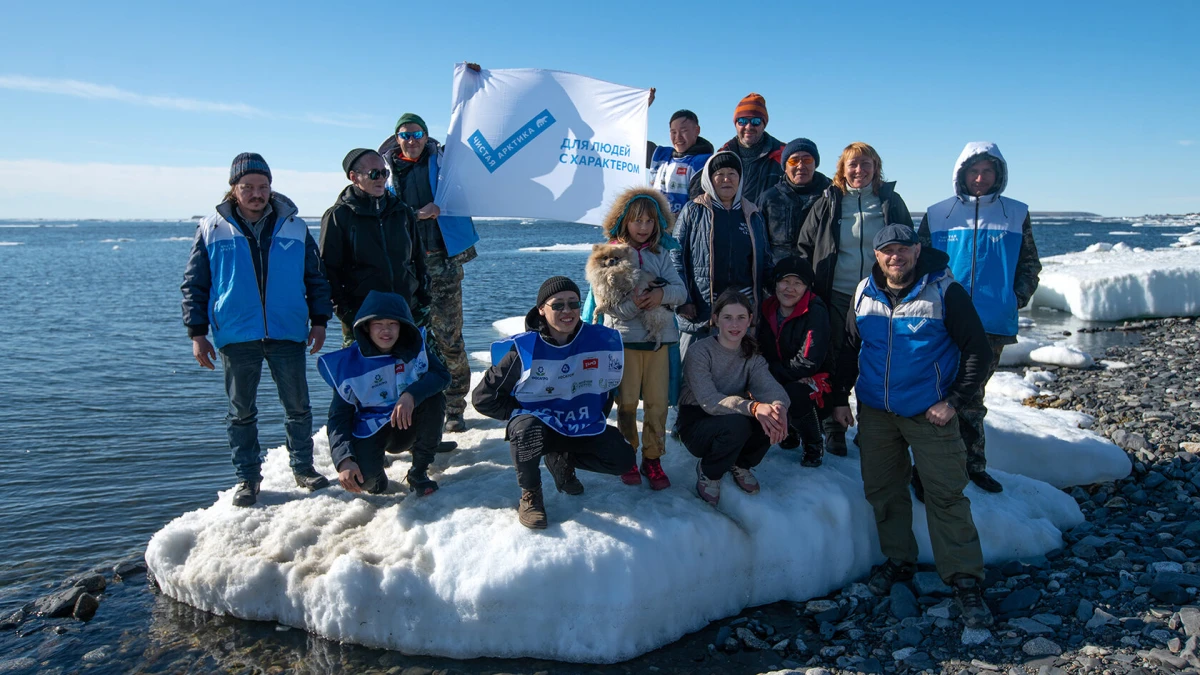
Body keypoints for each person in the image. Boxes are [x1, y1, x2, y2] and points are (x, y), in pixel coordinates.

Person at [830, 224, 994, 629]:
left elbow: (977, 349)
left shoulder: (944, 292)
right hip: (876, 413)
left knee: (945, 494)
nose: (895, 256)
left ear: (917, 251)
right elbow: (849, 348)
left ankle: (964, 579)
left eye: (903, 248)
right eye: (887, 250)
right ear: (877, 254)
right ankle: (899, 560)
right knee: (884, 490)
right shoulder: (864, 292)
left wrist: (954, 401)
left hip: (929, 412)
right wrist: (839, 398)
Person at [182, 153, 333, 507]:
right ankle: (247, 478)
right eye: (247, 187)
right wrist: (197, 333)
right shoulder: (212, 228)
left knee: (298, 407)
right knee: (241, 412)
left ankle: (303, 468)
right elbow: (195, 284)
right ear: (233, 189)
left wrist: (320, 321)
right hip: (236, 334)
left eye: (263, 186)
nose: (256, 194)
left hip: (287, 330)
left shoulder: (294, 226)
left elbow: (316, 278)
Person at [918, 142, 1042, 494]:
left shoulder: (1015, 213)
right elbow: (920, 263)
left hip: (991, 324)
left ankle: (973, 466)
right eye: (973, 171)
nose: (979, 177)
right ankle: (931, 465)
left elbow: (1029, 265)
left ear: (998, 173)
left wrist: (1013, 299)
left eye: (987, 171)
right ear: (961, 173)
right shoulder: (939, 213)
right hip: (943, 321)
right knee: (937, 391)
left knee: (971, 395)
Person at [471, 277, 636, 529]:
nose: (567, 311)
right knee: (526, 429)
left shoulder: (598, 342)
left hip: (579, 426)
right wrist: (520, 414)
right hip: (539, 429)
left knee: (623, 459)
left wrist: (594, 413)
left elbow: (605, 389)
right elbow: (483, 398)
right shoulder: (524, 349)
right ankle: (531, 496)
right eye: (557, 305)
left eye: (573, 304)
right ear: (541, 309)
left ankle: (563, 460)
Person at [798, 142, 913, 456]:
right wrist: (808, 289)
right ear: (842, 169)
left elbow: (910, 244)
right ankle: (833, 426)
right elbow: (805, 246)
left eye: (865, 164)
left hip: (880, 295)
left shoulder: (890, 201)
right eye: (852, 164)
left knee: (874, 360)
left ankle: (871, 427)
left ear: (876, 167)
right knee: (834, 358)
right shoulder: (828, 201)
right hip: (837, 293)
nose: (859, 170)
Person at [379, 112, 480, 434]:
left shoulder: (445, 162)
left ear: (426, 135)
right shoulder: (382, 170)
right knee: (410, 340)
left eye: (417, 133)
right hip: (405, 267)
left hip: (442, 259)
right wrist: (417, 214)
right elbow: (381, 212)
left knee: (449, 338)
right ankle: (417, 405)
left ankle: (454, 407)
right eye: (405, 134)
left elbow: (477, 154)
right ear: (397, 138)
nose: (411, 140)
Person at [594, 187, 687, 490]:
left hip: (658, 341)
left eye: (649, 221)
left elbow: (680, 291)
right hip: (624, 343)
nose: (644, 227)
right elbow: (607, 303)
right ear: (623, 220)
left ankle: (653, 457)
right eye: (637, 221)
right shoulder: (609, 255)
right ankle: (628, 455)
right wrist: (636, 303)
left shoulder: (661, 255)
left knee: (658, 403)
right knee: (627, 403)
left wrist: (660, 295)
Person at [318, 291, 449, 497]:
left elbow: (442, 375)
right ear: (366, 327)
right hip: (372, 429)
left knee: (434, 397)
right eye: (378, 324)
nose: (386, 330)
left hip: (407, 424)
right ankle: (377, 479)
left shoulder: (415, 348)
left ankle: (419, 471)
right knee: (362, 480)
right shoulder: (350, 364)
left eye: (393, 324)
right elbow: (338, 417)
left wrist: (411, 394)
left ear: (402, 326)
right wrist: (344, 459)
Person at [677, 289, 789, 505]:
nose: (734, 324)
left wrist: (779, 407)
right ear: (716, 319)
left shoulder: (751, 355)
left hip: (734, 415)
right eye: (727, 317)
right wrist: (754, 408)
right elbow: (710, 400)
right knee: (738, 425)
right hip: (697, 423)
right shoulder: (699, 352)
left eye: (741, 317)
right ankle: (709, 471)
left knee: (774, 415)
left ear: (750, 320)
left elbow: (769, 387)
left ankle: (741, 463)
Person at [319, 148, 431, 347]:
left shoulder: (401, 211)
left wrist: (423, 300)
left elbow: (419, 258)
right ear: (354, 177)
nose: (381, 179)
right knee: (363, 367)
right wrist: (346, 312)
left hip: (406, 312)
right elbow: (328, 270)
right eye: (374, 174)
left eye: (384, 173)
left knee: (420, 364)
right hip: (362, 316)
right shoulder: (339, 216)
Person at [672, 151, 772, 358]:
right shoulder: (693, 211)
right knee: (694, 366)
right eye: (720, 174)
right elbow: (675, 257)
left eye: (732, 173)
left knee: (738, 365)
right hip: (702, 308)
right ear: (709, 179)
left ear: (740, 178)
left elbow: (765, 259)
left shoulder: (753, 214)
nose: (726, 179)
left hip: (742, 307)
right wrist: (684, 299)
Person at [756, 256, 831, 467]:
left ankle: (813, 442)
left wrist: (772, 374)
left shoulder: (814, 311)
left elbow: (809, 361)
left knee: (794, 393)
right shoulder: (767, 308)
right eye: (785, 281)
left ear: (807, 287)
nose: (790, 288)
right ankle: (788, 430)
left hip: (814, 378)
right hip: (781, 372)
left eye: (798, 283)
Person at [761, 138, 833, 263]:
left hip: (821, 269)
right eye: (794, 161)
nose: (800, 166)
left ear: (815, 164)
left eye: (807, 160)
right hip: (780, 271)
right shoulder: (769, 199)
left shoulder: (831, 196)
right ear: (785, 167)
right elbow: (759, 244)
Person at [716, 93, 785, 207]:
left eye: (755, 121)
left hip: (769, 218)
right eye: (742, 121)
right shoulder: (722, 156)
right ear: (736, 124)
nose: (748, 127)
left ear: (764, 124)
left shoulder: (783, 155)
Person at [646, 109, 714, 215]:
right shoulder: (660, 155)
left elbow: (697, 207)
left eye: (683, 131)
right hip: (654, 223)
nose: (678, 137)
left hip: (682, 223)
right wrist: (643, 107)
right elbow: (633, 142)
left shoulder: (704, 163)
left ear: (697, 130)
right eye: (673, 132)